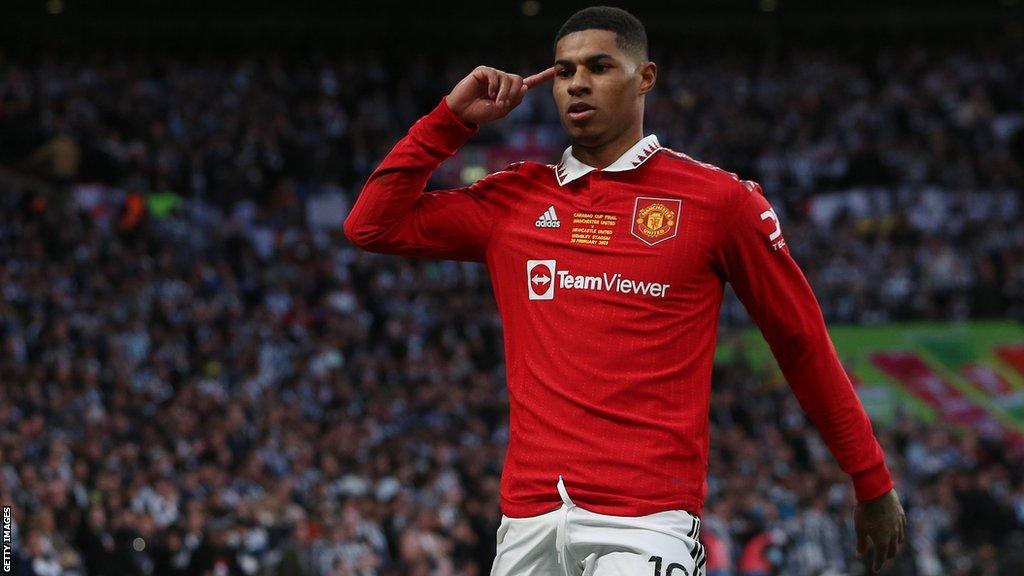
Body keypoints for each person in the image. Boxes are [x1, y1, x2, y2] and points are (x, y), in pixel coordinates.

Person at [344, 6, 907, 575]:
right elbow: (371, 225)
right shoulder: (514, 201)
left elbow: (801, 341)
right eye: (563, 71)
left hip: (644, 527)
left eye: (599, 66)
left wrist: (871, 480)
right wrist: (450, 120)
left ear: (645, 77)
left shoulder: (719, 203)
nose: (577, 83)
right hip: (528, 526)